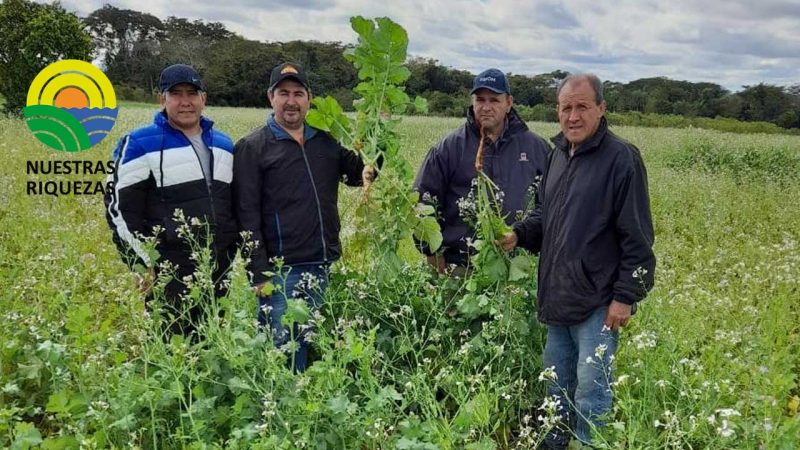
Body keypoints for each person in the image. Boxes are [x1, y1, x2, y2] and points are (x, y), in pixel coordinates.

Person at [498, 74, 656, 448]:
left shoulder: (622, 158)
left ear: (601, 109)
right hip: (557, 298)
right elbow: (546, 217)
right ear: (557, 111)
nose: (573, 116)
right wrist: (519, 234)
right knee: (555, 388)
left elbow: (638, 235)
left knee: (591, 394)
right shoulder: (557, 156)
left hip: (598, 304)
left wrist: (625, 297)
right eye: (566, 107)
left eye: (582, 106)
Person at [233, 62, 374, 372]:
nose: (291, 101)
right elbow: (246, 214)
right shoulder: (253, 148)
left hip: (322, 263)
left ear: (309, 99)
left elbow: (357, 174)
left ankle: (310, 406)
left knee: (315, 342)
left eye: (298, 93)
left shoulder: (324, 142)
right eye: (284, 93)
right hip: (281, 270)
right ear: (271, 98)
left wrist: (377, 141)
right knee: (283, 350)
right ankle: (286, 412)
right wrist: (258, 271)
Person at [105, 64, 238, 338]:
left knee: (212, 344)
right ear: (161, 99)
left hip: (217, 268)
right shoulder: (139, 143)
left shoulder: (224, 144)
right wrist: (143, 262)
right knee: (171, 348)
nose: (185, 101)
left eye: (192, 93)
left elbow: (233, 204)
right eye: (176, 93)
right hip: (169, 271)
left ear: (204, 98)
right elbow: (118, 208)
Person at [414, 68, 550, 274]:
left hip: (520, 268)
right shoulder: (449, 147)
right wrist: (431, 254)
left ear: (509, 103)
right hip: (460, 267)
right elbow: (421, 202)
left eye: (494, 100)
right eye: (480, 100)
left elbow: (551, 205)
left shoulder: (536, 148)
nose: (486, 107)